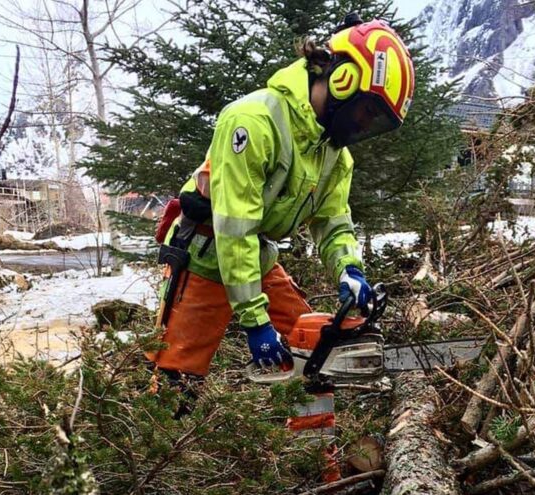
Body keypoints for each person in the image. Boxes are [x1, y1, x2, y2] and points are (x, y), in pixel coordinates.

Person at [147, 12, 414, 480]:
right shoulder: (253, 119)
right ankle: (149, 465)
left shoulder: (334, 152)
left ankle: (309, 458)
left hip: (257, 254)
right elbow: (234, 230)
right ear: (342, 77)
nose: (364, 126)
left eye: (376, 122)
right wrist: (254, 321)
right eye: (367, 113)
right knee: (177, 380)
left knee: (313, 346)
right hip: (207, 254)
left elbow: (333, 223)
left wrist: (350, 269)